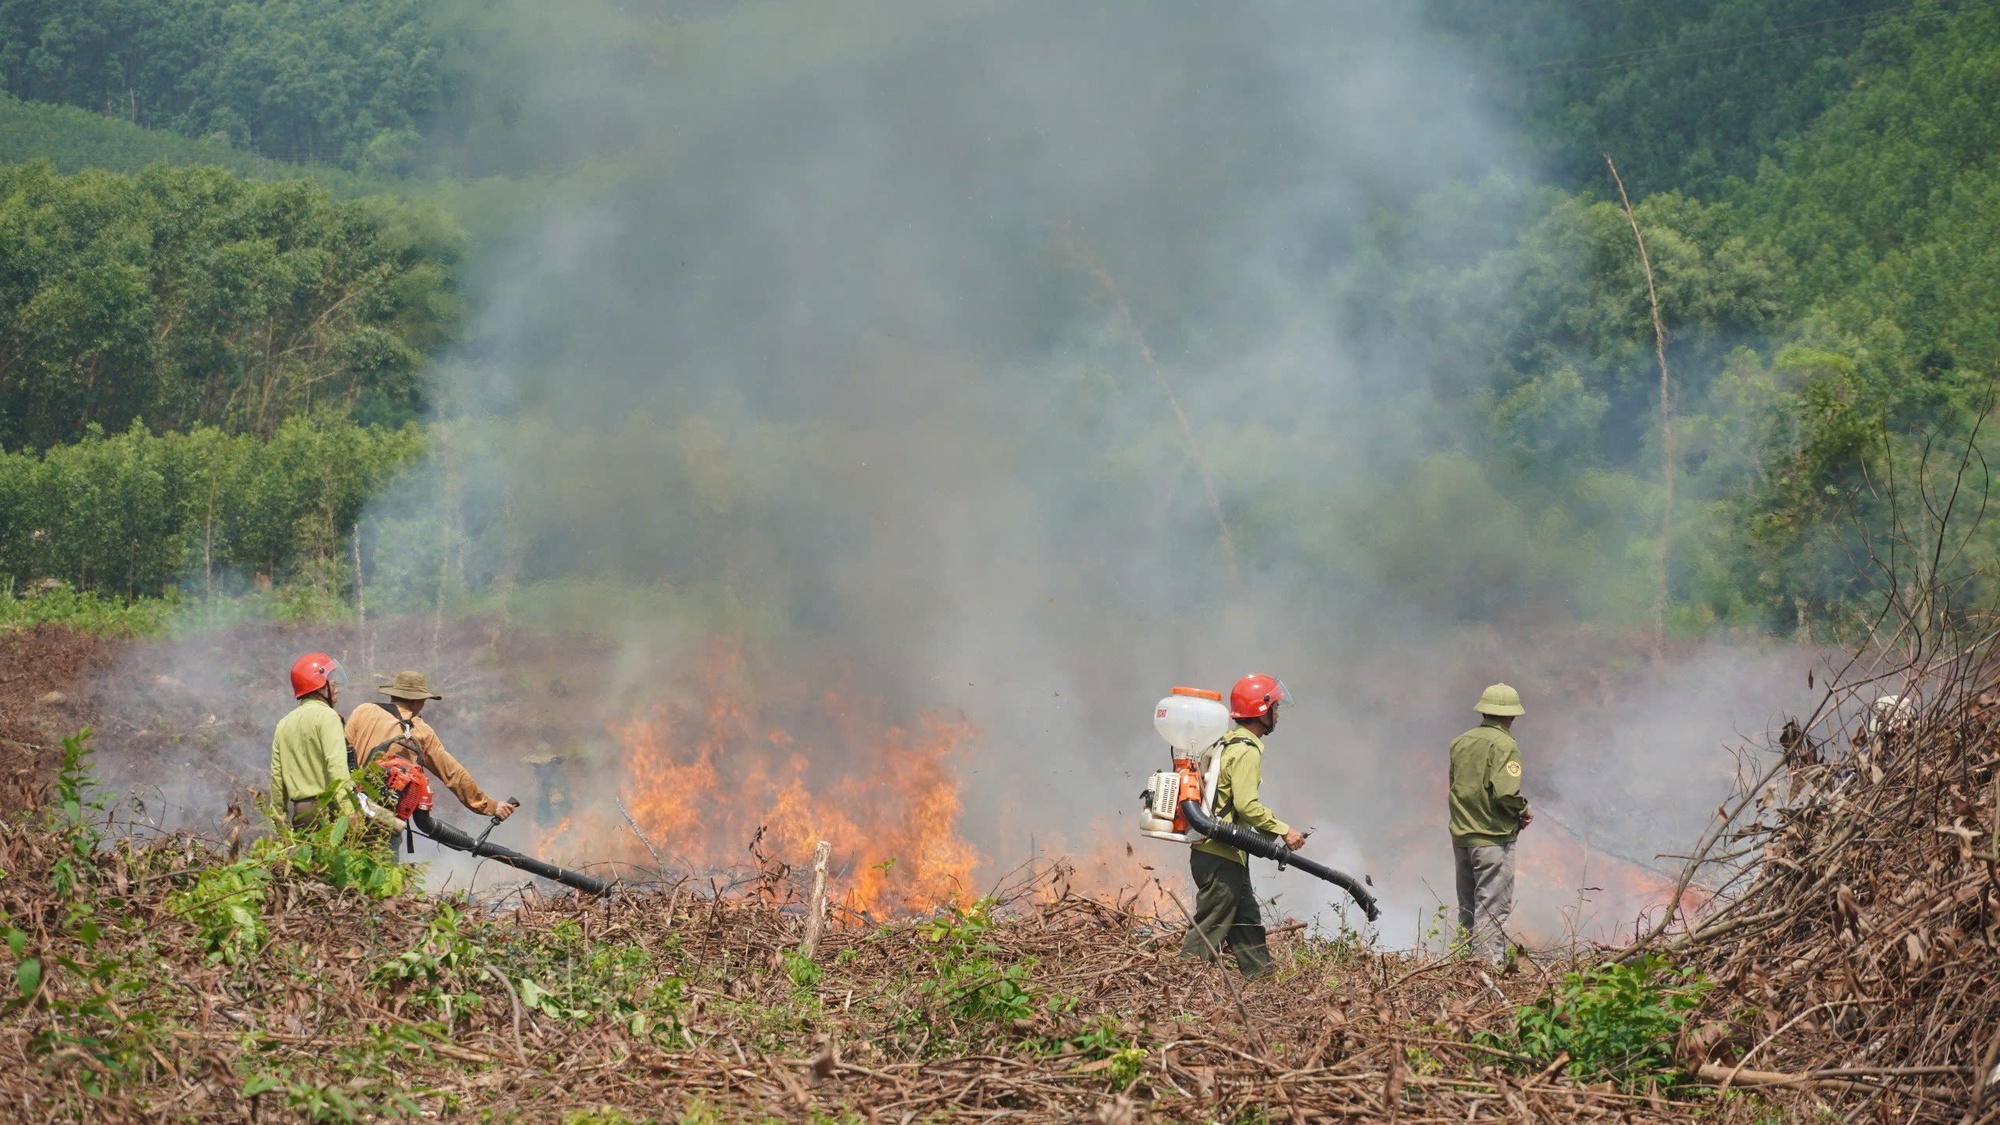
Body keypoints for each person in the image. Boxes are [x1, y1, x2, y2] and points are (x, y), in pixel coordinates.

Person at [1182, 673, 1307, 979]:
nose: (1277, 715)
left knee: (1246, 923)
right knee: (1210, 926)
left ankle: (1262, 983)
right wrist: (1283, 830)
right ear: (1261, 712)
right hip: (1221, 856)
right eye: (1274, 708)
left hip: (1225, 854)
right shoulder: (1246, 751)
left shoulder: (1226, 742)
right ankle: (1179, 984)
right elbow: (1246, 807)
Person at [345, 670, 518, 823]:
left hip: (348, 808)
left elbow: (342, 751)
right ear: (416, 701)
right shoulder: (420, 730)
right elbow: (452, 773)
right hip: (383, 818)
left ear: (393, 694)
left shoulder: (363, 711)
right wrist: (489, 806)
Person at [270, 652, 401, 834]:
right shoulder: (328, 717)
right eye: (331, 683)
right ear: (319, 687)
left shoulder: (283, 724)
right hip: (328, 810)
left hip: (301, 814)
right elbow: (336, 766)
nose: (336, 687)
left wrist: (280, 822)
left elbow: (277, 778)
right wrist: (349, 810)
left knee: (311, 862)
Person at [1449, 683, 1533, 962]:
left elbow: (1458, 788)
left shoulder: (1460, 742)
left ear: (1485, 712)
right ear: (1510, 717)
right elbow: (1506, 793)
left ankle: (1461, 972)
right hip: (1492, 840)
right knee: (1491, 911)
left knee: (1468, 909)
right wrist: (1522, 810)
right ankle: (1486, 976)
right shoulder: (1505, 745)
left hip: (1463, 838)